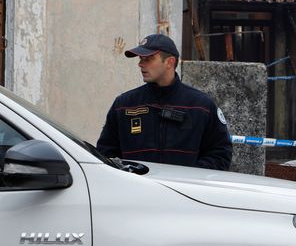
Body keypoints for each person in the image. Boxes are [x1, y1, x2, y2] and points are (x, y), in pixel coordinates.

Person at [96, 34, 233, 170]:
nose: (140, 64)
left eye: (148, 58)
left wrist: (191, 176)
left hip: (183, 191)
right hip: (136, 190)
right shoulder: (124, 105)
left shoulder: (201, 105)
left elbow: (220, 153)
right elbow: (105, 152)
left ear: (170, 62)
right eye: (140, 58)